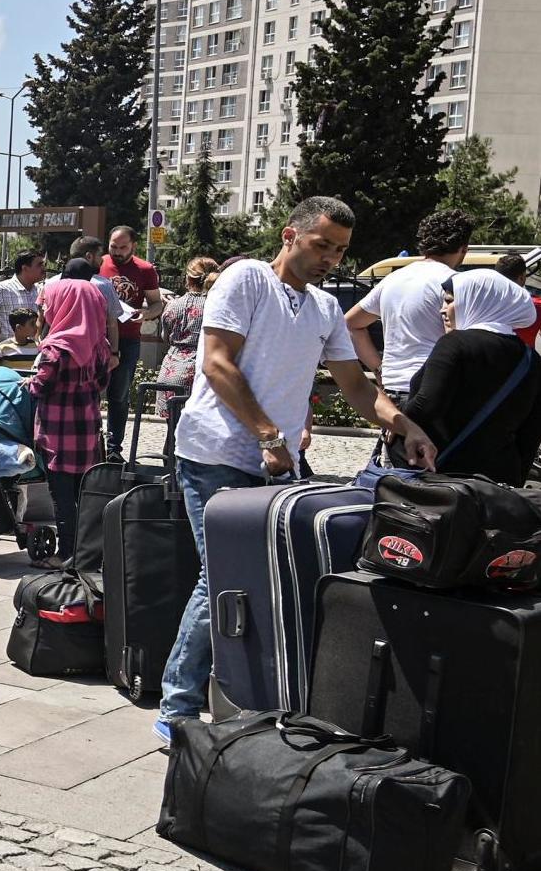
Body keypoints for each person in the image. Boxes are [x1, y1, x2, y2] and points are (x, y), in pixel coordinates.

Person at [155, 197, 437, 745]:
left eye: (340, 250)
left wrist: (406, 426)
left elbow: (355, 386)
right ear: (290, 235)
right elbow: (217, 362)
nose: (331, 258)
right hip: (215, 454)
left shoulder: (324, 309)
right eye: (322, 245)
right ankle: (178, 705)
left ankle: (251, 692)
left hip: (276, 460)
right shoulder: (246, 279)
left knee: (263, 577)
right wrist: (267, 434)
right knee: (221, 579)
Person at [394, 269, 541, 485]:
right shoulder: (531, 360)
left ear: (476, 299)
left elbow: (427, 405)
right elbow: (531, 433)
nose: (442, 310)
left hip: (441, 475)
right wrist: (515, 483)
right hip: (497, 481)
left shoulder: (455, 343)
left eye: (449, 301)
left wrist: (394, 419)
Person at [347, 207, 472, 398]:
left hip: (392, 390)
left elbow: (351, 323)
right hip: (435, 390)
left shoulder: (392, 279)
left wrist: (378, 369)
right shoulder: (454, 283)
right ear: (463, 249)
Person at [29, 276, 110, 568]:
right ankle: (87, 553)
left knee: (62, 498)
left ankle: (65, 554)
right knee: (82, 496)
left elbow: (41, 387)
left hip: (58, 435)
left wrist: (28, 383)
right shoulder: (99, 344)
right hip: (86, 430)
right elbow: (102, 381)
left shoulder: (56, 348)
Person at [99, 227, 165, 462]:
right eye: (113, 247)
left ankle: (114, 448)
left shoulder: (145, 269)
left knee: (119, 394)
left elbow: (157, 304)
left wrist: (145, 313)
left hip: (128, 338)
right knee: (91, 391)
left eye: (122, 247)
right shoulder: (100, 263)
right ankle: (92, 441)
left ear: (133, 246)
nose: (116, 252)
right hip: (97, 336)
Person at [153, 258, 220, 463]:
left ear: (187, 279)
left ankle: (169, 477)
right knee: (199, 433)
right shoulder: (216, 305)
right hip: (202, 368)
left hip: (172, 369)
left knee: (172, 430)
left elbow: (164, 336)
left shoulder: (174, 305)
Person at [0, 250, 46, 342]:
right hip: (7, 351)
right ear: (25, 268)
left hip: (33, 351)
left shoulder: (39, 290)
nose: (43, 268)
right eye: (39, 265)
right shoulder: (1, 289)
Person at [493, 252, 541, 347]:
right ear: (522, 278)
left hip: (488, 358)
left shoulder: (481, 303)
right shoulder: (537, 306)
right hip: (524, 359)